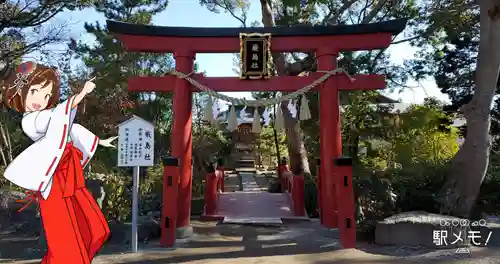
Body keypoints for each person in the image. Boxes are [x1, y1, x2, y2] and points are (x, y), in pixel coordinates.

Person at [2, 61, 116, 264]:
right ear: (20, 91)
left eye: (46, 95)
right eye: (35, 91)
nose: (41, 99)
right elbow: (58, 119)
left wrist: (99, 141)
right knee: (65, 241)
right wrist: (80, 95)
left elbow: (70, 127)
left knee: (95, 228)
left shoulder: (50, 115)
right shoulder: (29, 120)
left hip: (69, 176)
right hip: (53, 182)